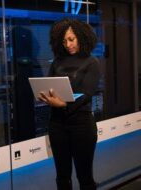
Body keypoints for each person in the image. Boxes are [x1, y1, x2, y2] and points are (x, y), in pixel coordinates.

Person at [38, 18, 101, 190]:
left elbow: (87, 95)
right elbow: (49, 86)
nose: (68, 44)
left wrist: (63, 104)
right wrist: (44, 96)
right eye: (64, 41)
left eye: (71, 39)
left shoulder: (92, 62)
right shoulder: (57, 62)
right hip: (57, 125)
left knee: (85, 177)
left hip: (82, 125)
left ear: (81, 37)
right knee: (62, 177)